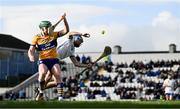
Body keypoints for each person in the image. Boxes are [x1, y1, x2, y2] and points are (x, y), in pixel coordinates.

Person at [28, 13, 69, 101]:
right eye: (48, 28)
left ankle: (60, 98)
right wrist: (31, 55)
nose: (50, 29)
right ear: (42, 29)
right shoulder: (36, 37)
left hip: (54, 59)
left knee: (58, 74)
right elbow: (31, 49)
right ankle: (41, 92)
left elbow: (66, 31)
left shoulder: (53, 34)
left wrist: (64, 20)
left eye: (50, 27)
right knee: (42, 73)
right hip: (43, 60)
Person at [41, 31, 93, 100]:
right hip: (52, 56)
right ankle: (59, 97)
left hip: (56, 60)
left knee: (57, 82)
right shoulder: (70, 40)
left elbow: (76, 63)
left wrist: (86, 66)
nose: (80, 43)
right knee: (50, 75)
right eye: (79, 41)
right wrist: (82, 34)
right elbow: (70, 33)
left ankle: (40, 88)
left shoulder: (72, 50)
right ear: (76, 39)